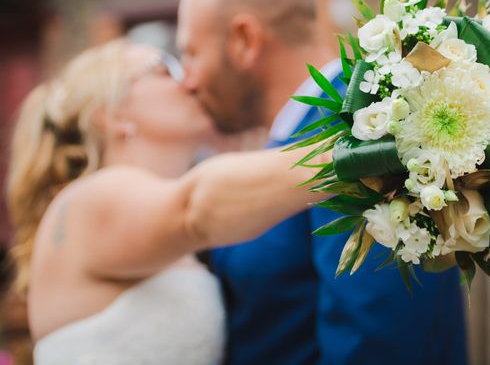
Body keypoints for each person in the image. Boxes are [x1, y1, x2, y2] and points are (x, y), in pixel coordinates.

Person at [178, 0, 468, 364]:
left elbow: (377, 343)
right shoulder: (297, 137)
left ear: (244, 40)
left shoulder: (364, 131)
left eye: (190, 53)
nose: (186, 80)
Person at [6, 39, 329, 364]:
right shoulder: (90, 200)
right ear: (110, 113)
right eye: (166, 70)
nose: (191, 81)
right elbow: (195, 210)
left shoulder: (163, 227)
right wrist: (350, 152)